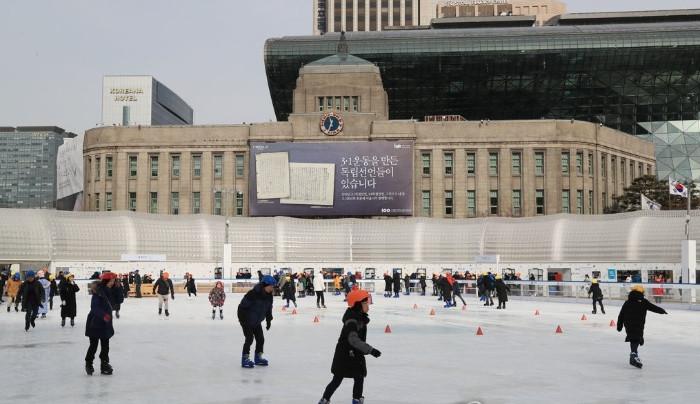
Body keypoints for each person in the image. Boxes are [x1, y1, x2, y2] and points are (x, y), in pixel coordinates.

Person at [317, 289, 381, 404]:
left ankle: (356, 400)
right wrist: (370, 350)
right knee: (337, 379)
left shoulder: (358, 316)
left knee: (359, 377)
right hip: (345, 354)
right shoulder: (352, 320)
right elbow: (353, 339)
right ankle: (324, 400)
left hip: (354, 353)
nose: (369, 306)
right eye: (366, 303)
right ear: (358, 304)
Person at [617, 285, 668, 368]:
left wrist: (619, 325)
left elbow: (621, 314)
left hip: (628, 324)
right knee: (636, 338)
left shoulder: (627, 302)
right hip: (638, 323)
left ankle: (634, 355)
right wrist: (662, 311)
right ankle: (634, 355)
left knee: (633, 338)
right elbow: (653, 307)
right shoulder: (643, 301)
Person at [237, 275, 275, 368]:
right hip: (246, 319)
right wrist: (244, 320)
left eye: (273, 286)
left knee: (260, 339)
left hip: (256, 321)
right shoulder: (253, 294)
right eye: (271, 286)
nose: (272, 288)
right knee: (249, 338)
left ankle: (258, 357)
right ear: (265, 285)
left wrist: (268, 320)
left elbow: (268, 309)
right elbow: (241, 307)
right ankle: (245, 359)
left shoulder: (269, 296)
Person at [85, 273, 117, 375]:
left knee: (105, 345)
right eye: (112, 281)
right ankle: (88, 363)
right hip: (95, 322)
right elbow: (94, 308)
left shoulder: (109, 291)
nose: (113, 283)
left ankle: (104, 364)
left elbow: (119, 300)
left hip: (105, 323)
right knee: (93, 345)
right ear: (106, 281)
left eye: (114, 281)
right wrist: (104, 315)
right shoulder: (98, 292)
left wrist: (119, 288)